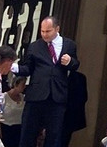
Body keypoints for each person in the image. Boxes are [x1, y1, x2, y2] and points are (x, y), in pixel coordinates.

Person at [12, 16, 80, 147]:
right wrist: (15, 67)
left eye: (48, 31)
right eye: (42, 31)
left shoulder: (69, 45)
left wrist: (70, 62)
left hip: (57, 96)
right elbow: (28, 68)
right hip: (36, 95)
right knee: (28, 132)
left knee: (54, 135)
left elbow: (76, 65)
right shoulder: (35, 46)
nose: (44, 34)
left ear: (57, 29)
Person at [0, 76, 27, 147]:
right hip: (6, 129)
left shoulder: (24, 98)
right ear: (16, 84)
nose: (24, 86)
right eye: (23, 84)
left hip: (19, 128)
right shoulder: (4, 97)